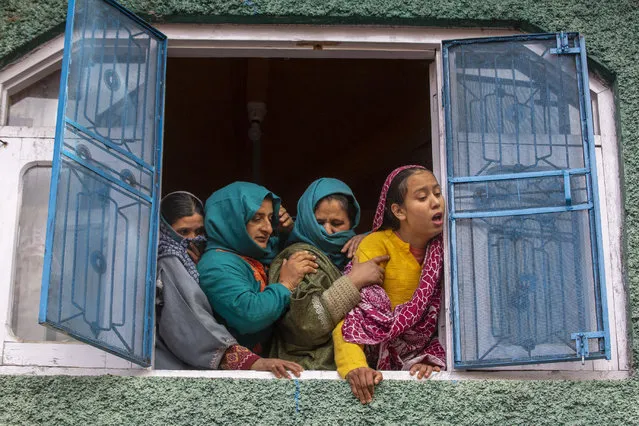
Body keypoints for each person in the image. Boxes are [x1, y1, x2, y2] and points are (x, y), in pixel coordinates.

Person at [155, 191, 302, 378]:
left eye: (199, 232)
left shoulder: (203, 259)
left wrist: (288, 231)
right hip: (173, 369)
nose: (193, 240)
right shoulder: (170, 261)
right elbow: (191, 320)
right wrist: (251, 362)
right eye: (183, 232)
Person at [332, 165, 446, 404]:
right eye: (423, 197)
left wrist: (428, 360)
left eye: (438, 193)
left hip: (418, 356)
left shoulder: (448, 248)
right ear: (399, 211)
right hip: (373, 354)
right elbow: (359, 317)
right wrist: (356, 366)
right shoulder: (377, 245)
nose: (436, 202)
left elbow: (447, 321)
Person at [267, 178, 388, 369]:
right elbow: (306, 326)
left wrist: (369, 240)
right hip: (306, 370)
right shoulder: (299, 258)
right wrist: (354, 281)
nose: (327, 231)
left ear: (351, 223)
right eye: (319, 222)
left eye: (337, 223)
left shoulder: (357, 253)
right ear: (306, 219)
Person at [198, 182, 317, 354]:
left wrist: (288, 230)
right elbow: (250, 315)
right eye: (256, 218)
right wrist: (286, 284)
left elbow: (280, 245)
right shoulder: (215, 265)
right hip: (238, 377)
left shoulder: (252, 253)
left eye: (270, 218)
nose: (268, 229)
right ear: (231, 220)